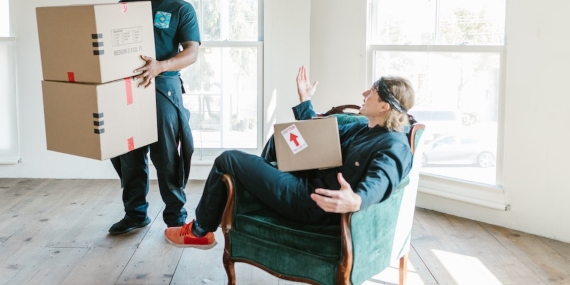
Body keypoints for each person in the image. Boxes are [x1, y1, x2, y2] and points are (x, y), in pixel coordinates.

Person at [164, 66, 415, 248]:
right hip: (308, 182)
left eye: (371, 92)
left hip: (310, 202)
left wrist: (357, 200)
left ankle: (200, 231)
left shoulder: (394, 145)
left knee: (227, 159)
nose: (364, 94)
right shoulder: (363, 126)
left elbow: (383, 178)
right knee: (280, 138)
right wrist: (305, 99)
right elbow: (318, 137)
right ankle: (251, 197)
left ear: (384, 107)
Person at [108, 0, 201, 235]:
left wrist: (159, 66)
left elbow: (192, 53)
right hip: (129, 91)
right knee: (130, 155)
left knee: (168, 158)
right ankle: (135, 214)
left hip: (164, 89)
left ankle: (175, 217)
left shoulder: (181, 9)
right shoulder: (126, 6)